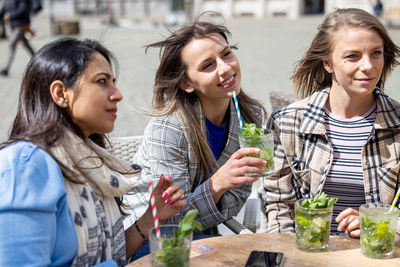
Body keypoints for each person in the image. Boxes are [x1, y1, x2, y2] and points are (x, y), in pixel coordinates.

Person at [0, 38, 186, 266]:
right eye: (101, 82)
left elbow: (110, 257)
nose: (118, 95)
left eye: (113, 82)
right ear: (60, 93)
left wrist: (150, 216)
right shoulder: (25, 165)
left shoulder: (94, 162)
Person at [263, 7, 400, 243]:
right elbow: (279, 208)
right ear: (327, 63)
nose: (368, 66)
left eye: (376, 53)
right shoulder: (287, 122)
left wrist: (383, 227)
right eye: (352, 56)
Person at [123, 18, 267, 240]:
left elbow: (238, 198)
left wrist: (219, 193)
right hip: (148, 238)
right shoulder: (169, 129)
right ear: (186, 83)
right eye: (208, 65)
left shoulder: (250, 118)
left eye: (226, 53)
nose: (226, 68)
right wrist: (217, 184)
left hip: (204, 232)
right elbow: (170, 218)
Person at [0, 0, 35, 77]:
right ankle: (37, 58)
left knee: (12, 44)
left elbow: (23, 9)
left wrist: (10, 15)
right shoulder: (6, 1)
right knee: (26, 45)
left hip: (21, 25)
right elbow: (3, 10)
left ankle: (6, 68)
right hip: (13, 26)